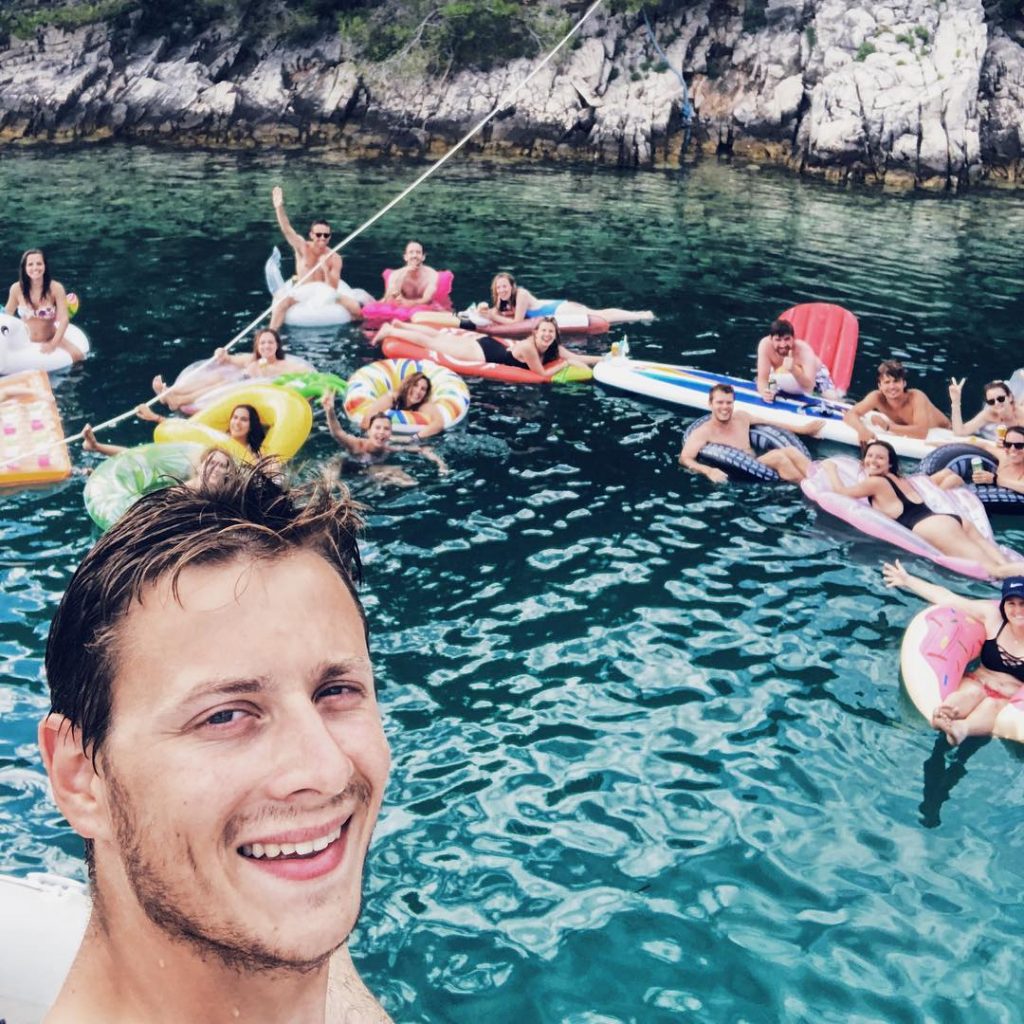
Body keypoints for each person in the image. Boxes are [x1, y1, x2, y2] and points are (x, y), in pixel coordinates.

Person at [38, 464, 392, 1022]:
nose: (325, 769)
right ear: (80, 779)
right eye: (225, 715)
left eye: (336, 691)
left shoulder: (288, 908)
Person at [821, 439, 1024, 578]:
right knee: (1000, 559)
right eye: (870, 456)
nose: (873, 461)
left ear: (889, 464)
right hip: (950, 519)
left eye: (879, 458)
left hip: (935, 528)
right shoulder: (900, 479)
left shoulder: (876, 483)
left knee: (993, 570)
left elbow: (841, 492)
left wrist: (830, 470)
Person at [883, 562, 1024, 746]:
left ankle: (961, 729)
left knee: (992, 706)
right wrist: (907, 580)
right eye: (1011, 603)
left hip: (1008, 699)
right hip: (978, 681)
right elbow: (948, 598)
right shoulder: (993, 618)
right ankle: (943, 715)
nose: (1017, 610)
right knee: (969, 693)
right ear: (1003, 605)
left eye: (1023, 603)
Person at [678, 382, 823, 484]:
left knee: (791, 450)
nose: (725, 407)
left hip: (756, 463)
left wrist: (803, 430)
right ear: (711, 404)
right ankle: (809, 489)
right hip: (740, 473)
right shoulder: (703, 432)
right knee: (778, 457)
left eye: (729, 403)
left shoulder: (741, 417)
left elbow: (768, 422)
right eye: (720, 402)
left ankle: (820, 479)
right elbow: (684, 458)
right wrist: (709, 471)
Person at [371, 317, 600, 379]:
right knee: (434, 343)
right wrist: (563, 367)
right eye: (544, 331)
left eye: (551, 332)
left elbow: (575, 355)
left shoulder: (551, 346)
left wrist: (603, 359)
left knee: (439, 336)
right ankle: (390, 332)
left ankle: (401, 326)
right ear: (536, 333)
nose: (548, 335)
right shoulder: (531, 347)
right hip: (483, 352)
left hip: (488, 344)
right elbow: (540, 373)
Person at [270, 185, 361, 329]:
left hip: (326, 292)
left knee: (356, 308)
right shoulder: (302, 247)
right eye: (318, 235)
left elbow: (333, 287)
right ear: (312, 235)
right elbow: (287, 230)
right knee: (281, 305)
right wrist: (279, 208)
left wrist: (325, 269)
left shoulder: (335, 257)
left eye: (326, 235)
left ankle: (359, 334)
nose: (322, 238)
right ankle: (270, 336)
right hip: (303, 291)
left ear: (330, 236)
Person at [152, 328, 305, 411]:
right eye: (262, 343)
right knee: (214, 378)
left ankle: (177, 400)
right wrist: (220, 352)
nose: (266, 346)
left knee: (219, 385)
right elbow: (227, 359)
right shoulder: (252, 359)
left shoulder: (284, 365)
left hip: (246, 388)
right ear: (258, 346)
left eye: (270, 343)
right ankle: (172, 391)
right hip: (237, 381)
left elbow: (303, 372)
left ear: (277, 345)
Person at [322, 392, 448, 487]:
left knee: (408, 481)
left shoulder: (388, 448)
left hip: (367, 469)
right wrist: (330, 411)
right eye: (377, 428)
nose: (381, 432)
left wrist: (440, 464)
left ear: (390, 433)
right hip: (344, 464)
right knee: (330, 484)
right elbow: (337, 432)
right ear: (369, 431)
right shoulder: (357, 445)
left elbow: (422, 449)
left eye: (386, 429)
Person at [475, 271, 653, 325]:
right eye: (498, 287)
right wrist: (484, 310)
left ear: (511, 286)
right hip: (553, 309)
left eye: (504, 286)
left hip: (560, 310)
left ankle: (639, 315)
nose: (501, 290)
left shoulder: (520, 294)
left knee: (601, 315)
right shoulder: (502, 298)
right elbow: (495, 312)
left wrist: (491, 317)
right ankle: (637, 314)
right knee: (600, 314)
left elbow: (517, 323)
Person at [4, 248, 84, 363]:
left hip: (50, 337)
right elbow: (7, 315)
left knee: (78, 357)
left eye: (39, 263)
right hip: (24, 340)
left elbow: (64, 319)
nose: (35, 268)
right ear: (24, 268)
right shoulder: (16, 289)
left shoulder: (56, 288)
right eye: (30, 264)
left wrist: (53, 344)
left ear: (45, 266)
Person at [842, 359, 950, 445]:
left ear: (904, 383)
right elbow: (850, 414)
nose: (892, 387)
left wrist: (887, 426)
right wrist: (862, 430)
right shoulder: (877, 397)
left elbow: (921, 433)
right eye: (887, 382)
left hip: (947, 432)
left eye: (896, 381)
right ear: (880, 386)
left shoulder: (916, 397)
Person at [135, 401, 268, 457]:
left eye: (244, 419)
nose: (237, 423)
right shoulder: (216, 436)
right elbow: (185, 429)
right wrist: (154, 417)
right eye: (235, 417)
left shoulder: (254, 454)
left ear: (251, 426)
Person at [755, 317, 838, 401]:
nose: (783, 345)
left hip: (815, 376)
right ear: (770, 339)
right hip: (779, 373)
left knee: (831, 397)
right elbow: (762, 379)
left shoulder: (804, 350)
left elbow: (809, 387)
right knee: (768, 387)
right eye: (778, 340)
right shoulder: (765, 346)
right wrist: (764, 393)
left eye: (787, 339)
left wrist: (793, 369)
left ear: (794, 338)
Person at [357, 371, 446, 440]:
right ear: (407, 385)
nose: (418, 391)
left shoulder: (423, 405)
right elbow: (368, 418)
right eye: (415, 385)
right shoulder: (392, 399)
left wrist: (415, 438)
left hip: (408, 440)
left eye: (423, 389)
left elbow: (439, 423)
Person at [948, 377, 1024, 441]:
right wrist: (955, 402)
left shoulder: (1021, 414)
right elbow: (960, 432)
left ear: (1010, 397)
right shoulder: (989, 414)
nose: (996, 403)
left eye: (1001, 399)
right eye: (991, 401)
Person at [381, 240, 441, 308]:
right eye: (411, 252)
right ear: (405, 257)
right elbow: (389, 299)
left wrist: (408, 303)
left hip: (422, 307)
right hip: (399, 307)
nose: (414, 255)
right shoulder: (396, 274)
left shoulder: (432, 275)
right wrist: (403, 274)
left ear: (423, 257)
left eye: (418, 252)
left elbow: (427, 299)